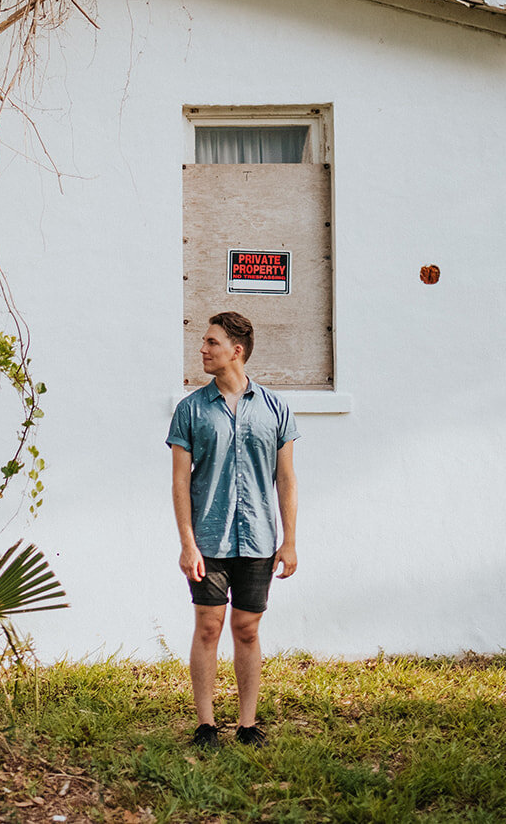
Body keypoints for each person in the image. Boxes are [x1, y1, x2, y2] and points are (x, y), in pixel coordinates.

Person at [167, 311, 299, 748]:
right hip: (209, 539)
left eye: (211, 343)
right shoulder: (190, 410)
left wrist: (289, 541)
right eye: (203, 342)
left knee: (247, 629)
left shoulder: (276, 408)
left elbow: (287, 480)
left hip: (259, 538)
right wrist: (188, 544)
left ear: (236, 351)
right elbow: (180, 482)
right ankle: (206, 725)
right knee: (208, 627)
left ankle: (247, 724)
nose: (201, 350)